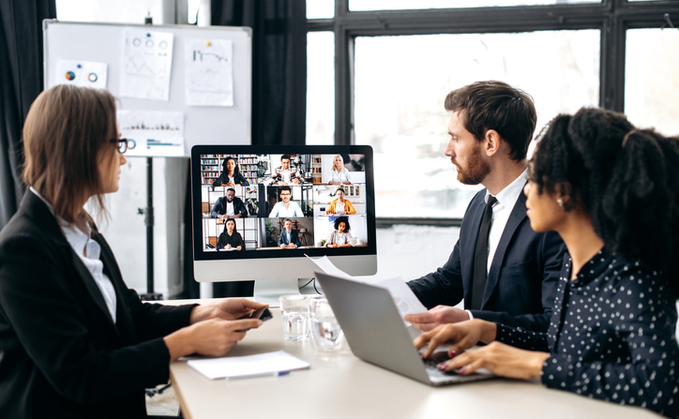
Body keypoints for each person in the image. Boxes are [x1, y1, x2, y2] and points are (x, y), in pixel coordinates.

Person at [0, 85, 267, 418]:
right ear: (79, 149)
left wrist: (204, 313)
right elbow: (82, 376)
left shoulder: (80, 226)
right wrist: (188, 341)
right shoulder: (22, 249)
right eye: (116, 144)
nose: (123, 157)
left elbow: (130, 316)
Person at [415, 108, 679, 418]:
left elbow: (664, 385)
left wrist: (534, 365)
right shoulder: (574, 265)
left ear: (564, 193)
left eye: (535, 176)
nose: (525, 188)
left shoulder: (630, 276)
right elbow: (562, 346)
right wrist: (484, 329)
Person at [404, 81, 566, 332]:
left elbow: (554, 324)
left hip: (512, 366)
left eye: (456, 138)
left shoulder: (549, 214)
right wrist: (386, 296)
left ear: (490, 142)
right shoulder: (480, 204)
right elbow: (450, 281)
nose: (448, 151)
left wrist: (471, 322)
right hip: (467, 360)